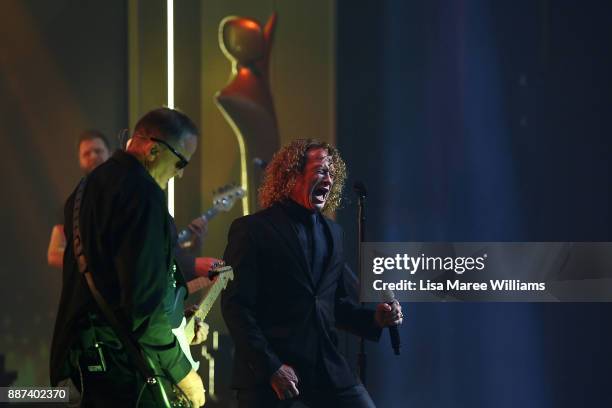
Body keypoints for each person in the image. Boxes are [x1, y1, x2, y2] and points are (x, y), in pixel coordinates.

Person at [221, 139, 404, 408]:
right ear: (291, 175)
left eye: (332, 173)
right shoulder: (253, 230)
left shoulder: (333, 232)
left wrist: (374, 319)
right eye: (320, 170)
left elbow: (333, 306)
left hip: (329, 371)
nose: (328, 179)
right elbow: (236, 307)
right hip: (276, 373)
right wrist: (271, 367)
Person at [50, 108, 207, 407]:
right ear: (153, 150)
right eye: (180, 162)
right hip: (124, 368)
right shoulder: (142, 194)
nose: (180, 173)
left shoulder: (84, 190)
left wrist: (177, 323)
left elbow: (111, 282)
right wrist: (183, 371)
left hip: (82, 361)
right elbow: (142, 306)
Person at [47, 130, 111, 268]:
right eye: (87, 153)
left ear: (110, 153)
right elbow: (53, 254)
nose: (93, 156)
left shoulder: (124, 195)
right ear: (79, 160)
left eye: (98, 151)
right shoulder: (72, 204)